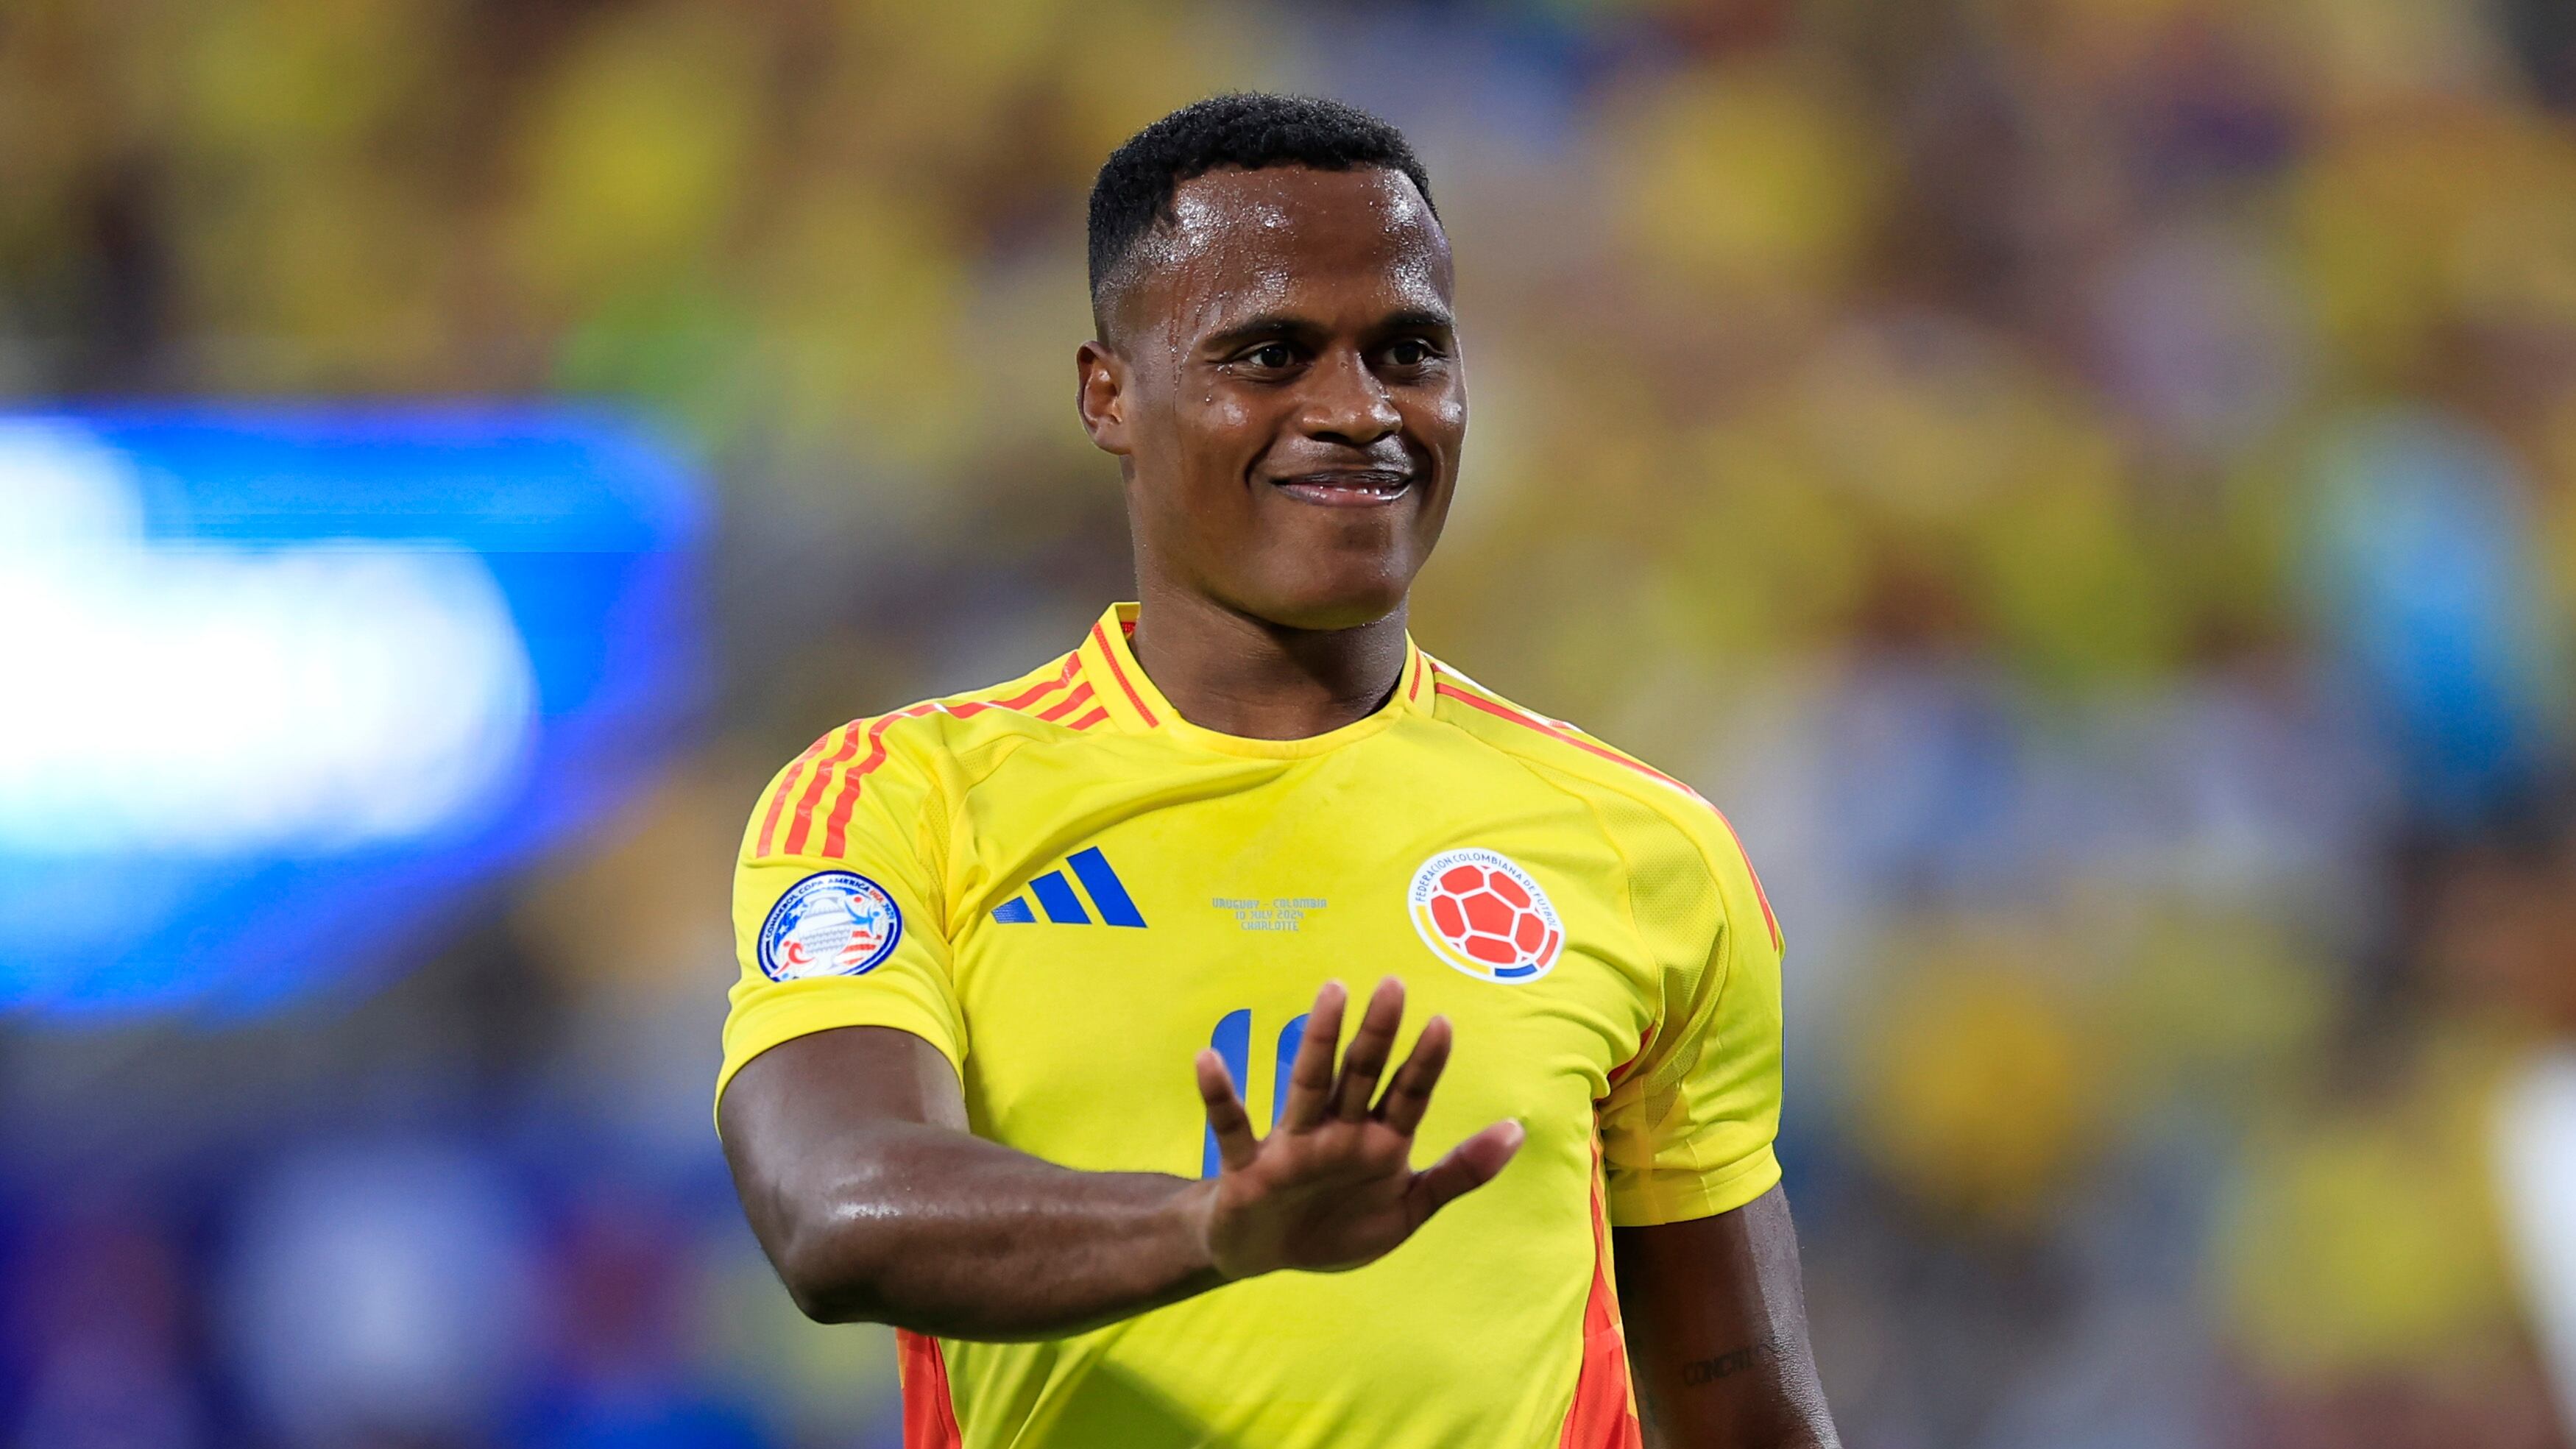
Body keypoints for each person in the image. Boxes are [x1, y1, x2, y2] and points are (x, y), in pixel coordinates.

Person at [718, 93, 1840, 1449]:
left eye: (1409, 350)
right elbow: (834, 1211)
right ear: (1108, 395)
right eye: (1270, 353)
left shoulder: (1643, 848)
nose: (1359, 410)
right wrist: (1214, 1227)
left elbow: (1743, 1406)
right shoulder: (904, 798)